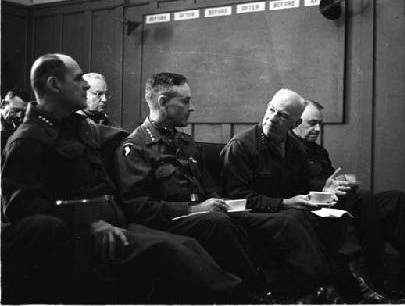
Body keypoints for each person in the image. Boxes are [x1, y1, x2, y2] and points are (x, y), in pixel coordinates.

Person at [1, 54, 242, 304]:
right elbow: (19, 207)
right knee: (170, 250)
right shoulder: (29, 139)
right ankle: (238, 299)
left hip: (116, 223)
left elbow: (121, 138)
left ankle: (241, 294)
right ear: (53, 84)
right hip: (85, 235)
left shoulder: (77, 128)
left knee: (187, 244)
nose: (85, 85)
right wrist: (88, 223)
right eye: (77, 79)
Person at [114, 73, 341, 303]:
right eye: (185, 101)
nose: (192, 107)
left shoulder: (185, 143)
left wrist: (220, 203)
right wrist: (195, 209)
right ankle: (257, 295)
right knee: (220, 223)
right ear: (162, 102)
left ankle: (319, 288)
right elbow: (138, 208)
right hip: (175, 220)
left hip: (208, 213)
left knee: (273, 218)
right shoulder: (136, 147)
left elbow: (212, 188)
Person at [220, 88, 392, 304]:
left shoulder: (296, 148)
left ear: (294, 124)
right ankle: (328, 288)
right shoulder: (241, 146)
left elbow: (300, 188)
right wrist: (285, 203)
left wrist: (323, 192)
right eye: (271, 110)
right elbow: (236, 198)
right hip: (250, 213)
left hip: (283, 211)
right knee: (293, 220)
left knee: (334, 217)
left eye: (282, 116)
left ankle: (353, 281)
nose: (272, 119)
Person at [292, 99, 405, 294]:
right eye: (312, 123)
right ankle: (377, 276)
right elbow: (293, 187)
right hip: (315, 206)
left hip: (339, 200)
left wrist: (342, 182)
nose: (318, 129)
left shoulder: (319, 150)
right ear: (296, 122)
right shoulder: (289, 150)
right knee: (364, 199)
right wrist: (325, 187)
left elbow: (329, 178)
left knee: (394, 199)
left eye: (320, 123)